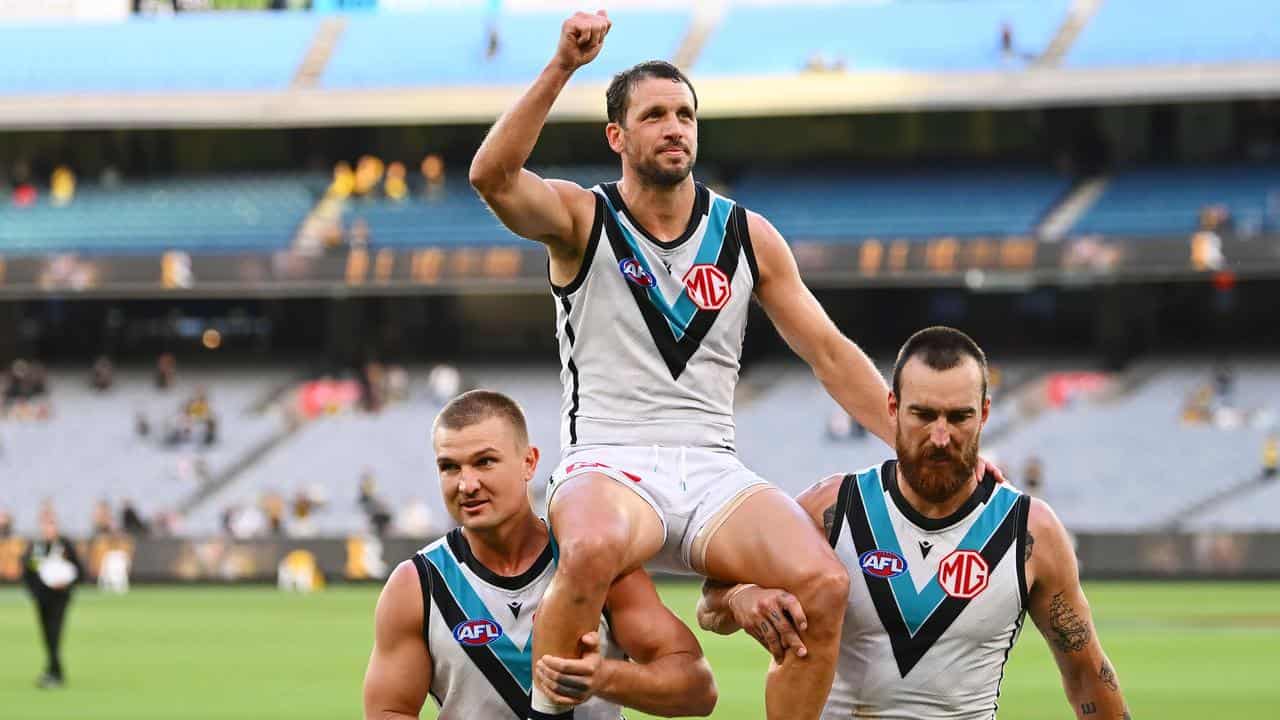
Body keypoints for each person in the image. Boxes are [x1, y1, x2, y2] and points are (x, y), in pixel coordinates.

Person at [468, 13, 1001, 719]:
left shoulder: (746, 236)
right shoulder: (581, 219)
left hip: (713, 470)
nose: (675, 126)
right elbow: (492, 176)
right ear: (617, 137)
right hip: (610, 462)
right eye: (654, 114)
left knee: (824, 584)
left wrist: (914, 442)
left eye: (685, 113)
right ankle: (546, 710)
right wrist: (563, 65)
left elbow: (829, 352)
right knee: (592, 547)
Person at [698, 327, 1131, 719]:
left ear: (984, 413)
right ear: (893, 407)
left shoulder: (1030, 531)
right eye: (923, 415)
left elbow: (1087, 676)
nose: (941, 437)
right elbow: (711, 605)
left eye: (958, 417)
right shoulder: (833, 509)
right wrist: (742, 597)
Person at [362, 390, 716, 719]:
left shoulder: (591, 559)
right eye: (449, 467)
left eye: (484, 462)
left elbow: (698, 688)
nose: (466, 484)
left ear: (529, 463)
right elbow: (389, 711)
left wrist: (606, 677)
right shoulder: (417, 585)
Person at [21, 509, 84, 689]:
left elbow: (79, 570)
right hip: (42, 597)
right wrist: (33, 591)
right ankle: (52, 670)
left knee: (55, 634)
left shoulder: (65, 546)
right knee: (46, 635)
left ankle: (55, 673)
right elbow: (28, 570)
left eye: (52, 524)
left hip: (60, 598)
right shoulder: (36, 547)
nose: (49, 529)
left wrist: (67, 585)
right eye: (46, 525)